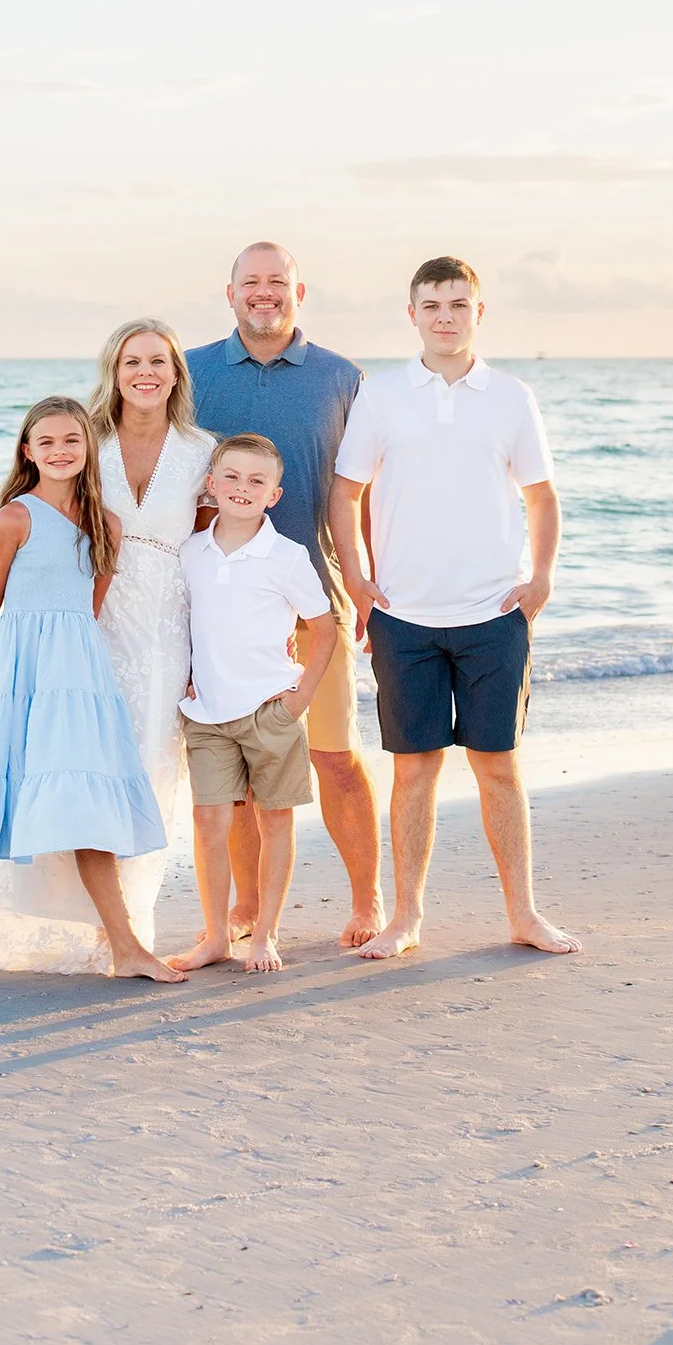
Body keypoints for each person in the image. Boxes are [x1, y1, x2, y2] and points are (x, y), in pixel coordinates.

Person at [328, 256, 580, 962]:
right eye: (432, 304)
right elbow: (345, 491)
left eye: (458, 304)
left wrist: (542, 578)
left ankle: (524, 914)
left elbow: (542, 495)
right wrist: (356, 576)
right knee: (414, 768)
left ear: (478, 313)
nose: (445, 316)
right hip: (403, 615)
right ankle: (405, 918)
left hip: (493, 612)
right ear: (412, 315)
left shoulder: (510, 396)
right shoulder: (381, 397)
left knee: (497, 762)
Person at [0, 325, 214, 973]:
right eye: (132, 360)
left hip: (165, 628)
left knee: (146, 774)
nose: (145, 372)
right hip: (81, 630)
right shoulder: (85, 437)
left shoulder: (200, 450)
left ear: (176, 373)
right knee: (70, 772)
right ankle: (64, 931)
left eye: (158, 361)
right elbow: (33, 523)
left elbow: (214, 546)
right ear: (113, 369)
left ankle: (125, 933)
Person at [0, 396, 185, 993]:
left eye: (72, 440)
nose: (60, 451)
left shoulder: (107, 527)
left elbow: (86, 612)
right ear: (27, 452)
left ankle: (126, 947)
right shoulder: (13, 520)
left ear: (89, 447)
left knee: (88, 810)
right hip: (16, 683)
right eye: (46, 443)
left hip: (79, 684)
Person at [186, 243, 384, 948]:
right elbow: (142, 471)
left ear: (299, 289)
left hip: (312, 603)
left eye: (277, 282)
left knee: (334, 756)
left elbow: (363, 493)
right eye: (251, 283)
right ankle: (244, 909)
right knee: (236, 769)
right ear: (230, 291)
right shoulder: (191, 371)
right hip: (222, 611)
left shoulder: (341, 378)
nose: (263, 294)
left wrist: (365, 583)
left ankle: (367, 902)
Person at [167, 434, 337, 976]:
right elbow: (180, 621)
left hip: (270, 711)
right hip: (208, 715)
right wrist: (186, 675)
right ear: (211, 486)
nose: (243, 488)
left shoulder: (286, 557)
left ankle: (265, 934)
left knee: (275, 821)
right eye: (232, 478)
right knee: (209, 821)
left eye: (256, 481)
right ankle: (217, 935)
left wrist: (300, 696)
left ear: (275, 495)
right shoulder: (190, 552)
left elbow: (324, 627)